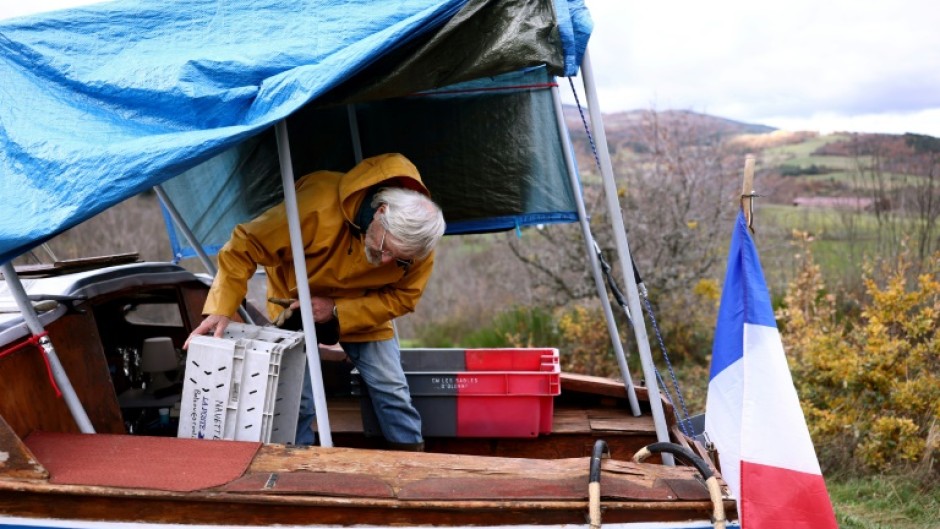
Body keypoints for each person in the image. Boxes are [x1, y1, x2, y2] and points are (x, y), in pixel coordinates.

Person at [184, 153, 446, 451]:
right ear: (380, 212)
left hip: (364, 313)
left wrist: (336, 309)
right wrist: (221, 308)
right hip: (295, 308)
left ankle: (411, 459)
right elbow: (244, 245)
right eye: (387, 247)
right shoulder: (316, 202)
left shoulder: (417, 244)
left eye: (398, 259)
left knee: (393, 391)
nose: (386, 260)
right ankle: (298, 463)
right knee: (298, 400)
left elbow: (404, 298)